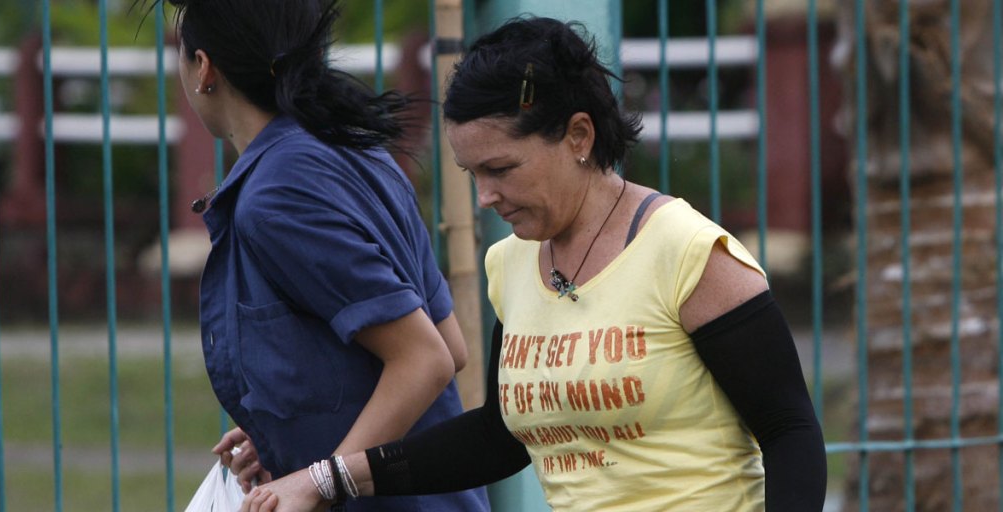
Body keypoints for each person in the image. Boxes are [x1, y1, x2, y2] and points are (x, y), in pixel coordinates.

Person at [240, 15, 827, 512]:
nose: (485, 197)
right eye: (473, 175)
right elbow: (500, 438)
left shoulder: (687, 253)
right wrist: (328, 478)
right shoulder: (510, 264)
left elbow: (789, 431)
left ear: (578, 136)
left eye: (501, 169)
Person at [162, 0, 491, 510]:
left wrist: (319, 481)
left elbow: (425, 359)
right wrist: (285, 429)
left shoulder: (276, 197)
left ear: (204, 69)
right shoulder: (358, 151)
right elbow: (450, 346)